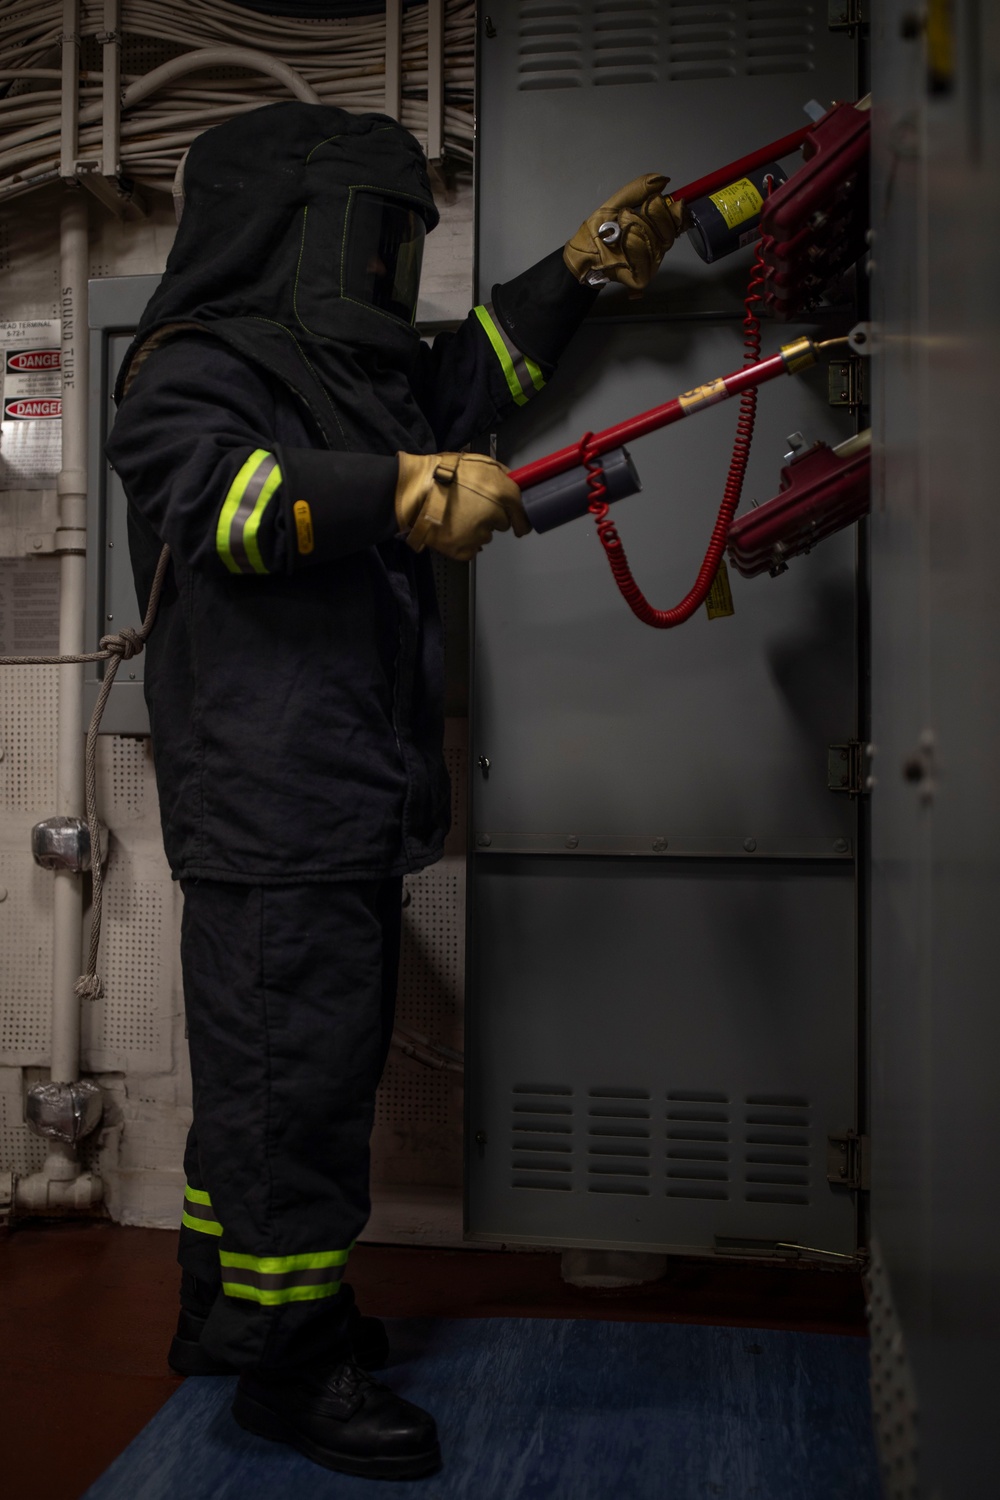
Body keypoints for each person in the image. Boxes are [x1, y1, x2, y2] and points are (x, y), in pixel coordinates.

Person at [107, 100, 683, 1480]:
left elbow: (469, 382)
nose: (388, 274)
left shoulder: (346, 379)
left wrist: (580, 275)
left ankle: (231, 1318)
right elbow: (217, 502)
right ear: (301, 231)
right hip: (270, 805)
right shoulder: (195, 365)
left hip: (333, 802)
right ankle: (284, 1372)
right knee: (288, 1098)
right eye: (376, 241)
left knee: (280, 1091)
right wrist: (406, 495)